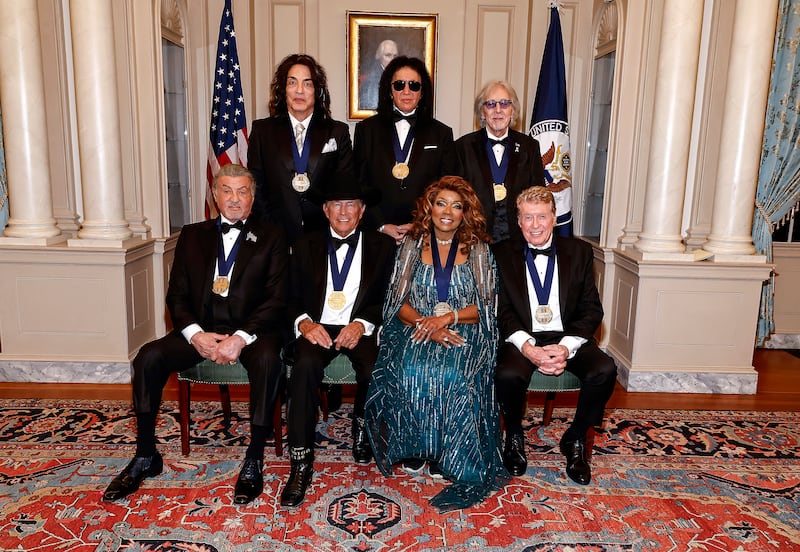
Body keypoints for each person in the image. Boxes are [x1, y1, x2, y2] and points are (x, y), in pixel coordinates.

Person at [103, 164, 287, 504]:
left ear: (252, 196)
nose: (234, 199)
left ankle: (254, 457)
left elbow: (277, 299)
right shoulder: (192, 234)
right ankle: (146, 455)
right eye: (227, 191)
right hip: (201, 328)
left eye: (242, 191)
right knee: (148, 356)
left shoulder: (273, 236)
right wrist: (194, 335)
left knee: (268, 361)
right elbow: (177, 295)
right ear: (215, 195)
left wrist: (240, 338)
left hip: (251, 332)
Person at [364, 176, 508, 512]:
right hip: (415, 324)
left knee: (454, 375)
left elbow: (487, 307)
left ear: (465, 213)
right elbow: (396, 300)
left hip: (466, 327)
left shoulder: (479, 249)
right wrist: (425, 324)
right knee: (411, 368)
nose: (447, 211)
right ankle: (417, 449)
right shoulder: (411, 246)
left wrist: (445, 320)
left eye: (456, 206)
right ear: (429, 208)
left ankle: (451, 455)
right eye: (441, 203)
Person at [280, 172, 395, 508]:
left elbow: (387, 296)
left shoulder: (383, 246)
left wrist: (361, 324)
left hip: (358, 327)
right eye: (337, 205)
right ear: (326, 210)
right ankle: (300, 460)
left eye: (351, 205)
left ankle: (362, 428)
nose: (344, 212)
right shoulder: (304, 244)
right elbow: (288, 296)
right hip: (317, 326)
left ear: (362, 211)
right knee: (302, 367)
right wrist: (304, 324)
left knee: (374, 367)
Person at [493, 186, 617, 485]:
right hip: (523, 335)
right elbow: (501, 310)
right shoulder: (501, 253)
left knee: (604, 369)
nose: (535, 225)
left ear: (554, 218)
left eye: (542, 217)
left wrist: (564, 347)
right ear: (518, 220)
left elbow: (591, 310)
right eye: (528, 217)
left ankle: (574, 439)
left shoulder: (580, 252)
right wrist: (528, 348)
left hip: (566, 335)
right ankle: (513, 435)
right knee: (508, 374)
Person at [248, 54, 354, 245]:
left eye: (307, 84)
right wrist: (271, 230)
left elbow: (345, 185)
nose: (299, 91)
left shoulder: (337, 132)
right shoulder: (262, 131)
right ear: (283, 90)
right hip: (275, 238)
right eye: (292, 82)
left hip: (323, 238)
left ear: (317, 91)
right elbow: (256, 186)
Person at [354, 56, 453, 244]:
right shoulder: (366, 130)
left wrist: (420, 223)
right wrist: (381, 224)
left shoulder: (442, 134)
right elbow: (359, 183)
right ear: (390, 90)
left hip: (424, 234)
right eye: (399, 85)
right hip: (377, 234)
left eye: (414, 85)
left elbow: (445, 188)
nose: (406, 91)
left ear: (422, 92)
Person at [449, 80, 545, 245]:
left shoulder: (529, 147)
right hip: (474, 240)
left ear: (512, 111)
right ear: (482, 112)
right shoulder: (461, 147)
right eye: (491, 104)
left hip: (518, 240)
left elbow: (538, 196)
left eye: (505, 104)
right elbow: (454, 197)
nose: (498, 110)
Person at [358, 39, 398, 110]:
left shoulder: (401, 76)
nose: (392, 60)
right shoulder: (370, 80)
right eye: (388, 55)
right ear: (379, 56)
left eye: (395, 56)